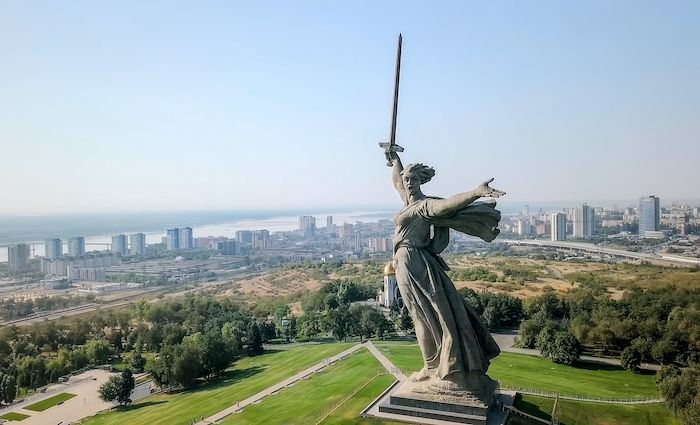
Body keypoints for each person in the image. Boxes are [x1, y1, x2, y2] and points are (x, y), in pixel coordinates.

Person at [386, 150, 504, 397]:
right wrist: (394, 158)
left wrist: (475, 192)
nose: (408, 183)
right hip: (406, 263)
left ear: (421, 182)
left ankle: (437, 367)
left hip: (413, 262)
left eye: (413, 179)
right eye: (407, 179)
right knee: (424, 316)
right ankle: (432, 365)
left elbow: (449, 204)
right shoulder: (408, 201)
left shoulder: (424, 206)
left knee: (427, 316)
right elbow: (397, 181)